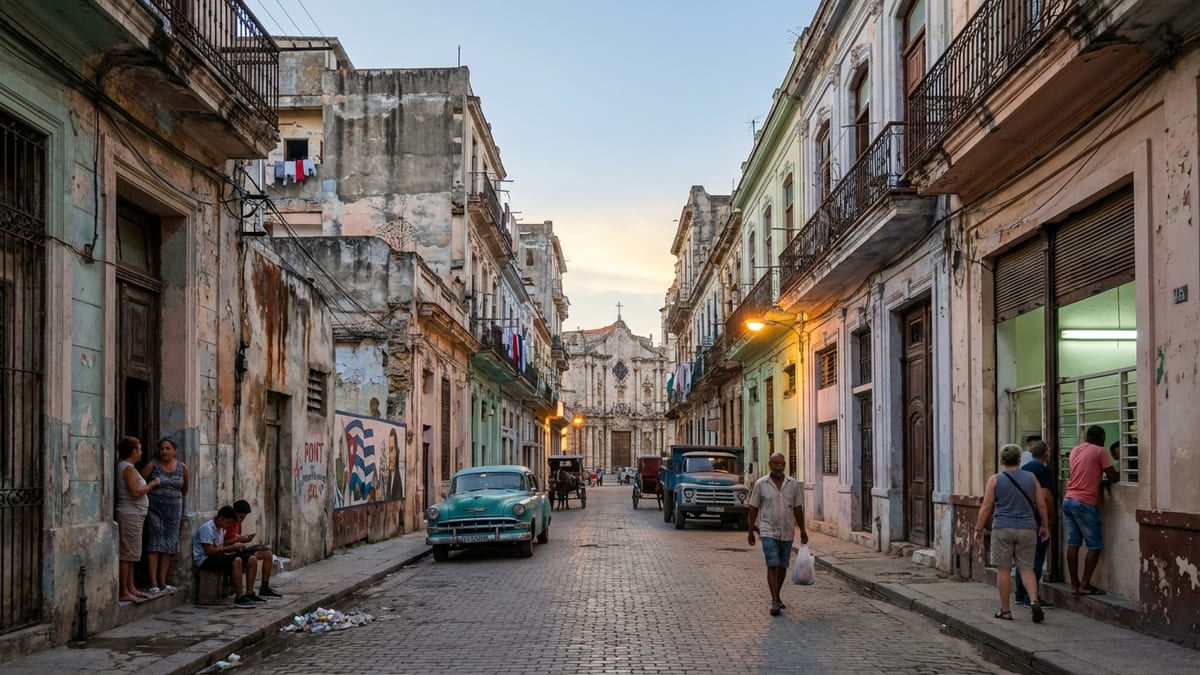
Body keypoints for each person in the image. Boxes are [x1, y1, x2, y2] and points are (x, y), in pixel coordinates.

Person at [976, 444, 1049, 623]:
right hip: (1027, 529)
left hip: (1003, 528)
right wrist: (1044, 526)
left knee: (1004, 570)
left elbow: (986, 507)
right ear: (1019, 459)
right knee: (1026, 568)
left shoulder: (995, 479)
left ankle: (1005, 610)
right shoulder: (1031, 477)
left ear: (1002, 460)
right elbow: (1041, 504)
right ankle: (1034, 601)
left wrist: (978, 528)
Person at [747, 452, 807, 617]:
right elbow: (753, 508)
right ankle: (774, 600)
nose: (779, 467)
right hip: (768, 530)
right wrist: (750, 529)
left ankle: (777, 595)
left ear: (785, 465)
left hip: (787, 531)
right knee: (772, 564)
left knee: (782, 566)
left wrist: (803, 529)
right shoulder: (761, 484)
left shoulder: (792, 484)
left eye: (781, 464)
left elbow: (797, 508)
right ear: (770, 464)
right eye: (775, 464)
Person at [1063, 425, 1118, 596]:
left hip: (1068, 500)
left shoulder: (1075, 450)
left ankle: (1074, 584)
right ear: (1100, 437)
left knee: (1073, 543)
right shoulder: (1100, 451)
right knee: (1095, 545)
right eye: (1104, 438)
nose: (1104, 441)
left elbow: (1083, 473)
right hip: (1085, 503)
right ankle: (1085, 584)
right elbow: (1113, 477)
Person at [140, 436, 188, 595]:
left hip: (174, 511)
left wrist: (172, 498)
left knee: (169, 543)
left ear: (175, 450)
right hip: (154, 510)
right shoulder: (152, 465)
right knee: (155, 541)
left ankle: (162, 581)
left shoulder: (182, 467)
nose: (164, 451)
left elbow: (184, 489)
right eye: (162, 449)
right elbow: (139, 484)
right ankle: (153, 582)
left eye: (168, 448)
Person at [116, 436, 161, 603]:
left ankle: (131, 587)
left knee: (132, 553)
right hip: (130, 514)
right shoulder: (127, 468)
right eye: (139, 449)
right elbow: (135, 491)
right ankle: (124, 590)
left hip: (134, 514)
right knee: (127, 554)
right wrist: (152, 484)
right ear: (134, 451)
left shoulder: (128, 467)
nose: (141, 452)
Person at [1015, 440, 1055, 609]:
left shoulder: (1023, 469)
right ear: (1046, 454)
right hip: (1037, 520)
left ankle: (1019, 594)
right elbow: (1045, 497)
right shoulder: (1042, 470)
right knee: (1036, 559)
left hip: (1021, 519)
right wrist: (1050, 517)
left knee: (1022, 559)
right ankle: (1031, 596)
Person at [193, 505, 259, 609]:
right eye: (227, 522)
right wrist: (231, 547)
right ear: (221, 518)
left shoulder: (221, 528)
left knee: (252, 559)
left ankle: (250, 593)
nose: (228, 525)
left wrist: (232, 550)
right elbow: (209, 551)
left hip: (218, 555)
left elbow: (221, 546)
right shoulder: (207, 528)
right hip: (205, 560)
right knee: (237, 560)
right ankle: (239, 596)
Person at [224, 500, 282, 599]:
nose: (242, 520)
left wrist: (246, 539)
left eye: (244, 517)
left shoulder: (238, 523)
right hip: (230, 551)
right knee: (252, 559)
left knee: (268, 554)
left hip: (239, 549)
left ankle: (264, 587)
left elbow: (235, 538)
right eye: (240, 517)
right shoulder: (228, 522)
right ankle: (248, 592)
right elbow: (223, 543)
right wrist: (239, 539)